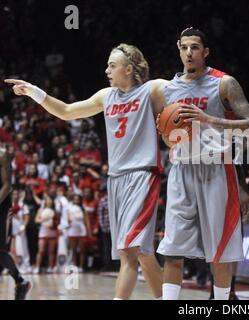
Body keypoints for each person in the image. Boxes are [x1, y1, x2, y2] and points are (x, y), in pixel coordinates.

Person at [5, 43, 168, 299]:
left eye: (112, 66)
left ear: (128, 69)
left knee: (128, 252)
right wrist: (33, 92)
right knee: (144, 254)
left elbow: (188, 91)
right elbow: (67, 112)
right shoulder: (105, 96)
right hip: (115, 180)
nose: (106, 70)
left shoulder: (153, 89)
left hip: (143, 175)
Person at [157, 27, 249, 300]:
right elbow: (169, 133)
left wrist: (210, 119)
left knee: (220, 252)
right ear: (178, 50)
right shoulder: (168, 89)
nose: (189, 52)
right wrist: (168, 136)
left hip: (217, 170)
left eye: (195, 47)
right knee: (172, 249)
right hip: (180, 170)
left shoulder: (224, 83)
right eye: (184, 47)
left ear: (205, 51)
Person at [0, 148, 32, 299]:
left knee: (0, 250)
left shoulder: (2, 153)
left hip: (2, 207)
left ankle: (21, 281)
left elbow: (6, 185)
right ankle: (21, 282)